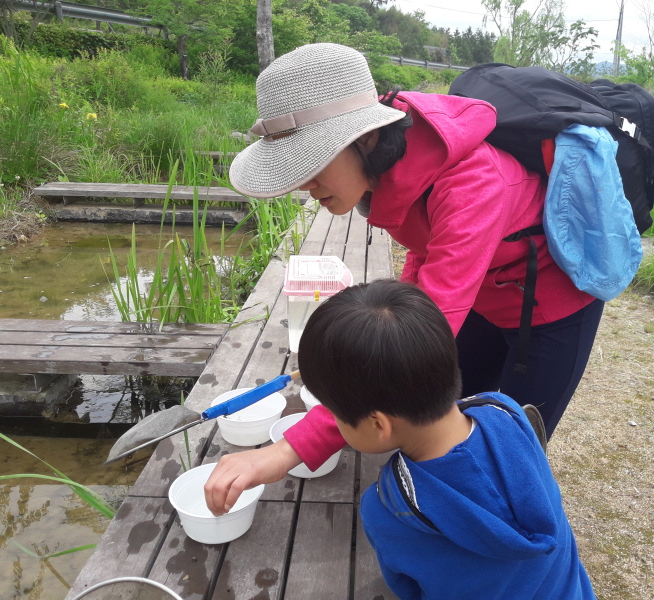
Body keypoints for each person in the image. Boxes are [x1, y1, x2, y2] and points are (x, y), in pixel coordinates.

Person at [204, 42, 603, 514]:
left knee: (512, 449)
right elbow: (421, 267)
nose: (304, 186)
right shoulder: (396, 172)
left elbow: (407, 352)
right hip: (480, 297)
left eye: (311, 163)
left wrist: (289, 449)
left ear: (367, 138)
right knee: (442, 415)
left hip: (549, 307)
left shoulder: (471, 184)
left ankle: (513, 545)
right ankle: (447, 515)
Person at [302, 279, 596, 599]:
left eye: (334, 412)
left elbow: (408, 587)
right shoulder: (506, 412)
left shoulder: (388, 508)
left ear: (378, 424)